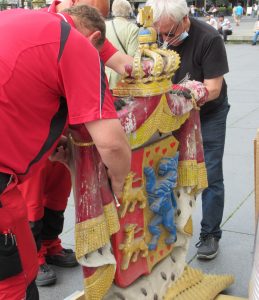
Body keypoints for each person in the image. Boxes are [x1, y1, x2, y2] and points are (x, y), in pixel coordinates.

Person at [0, 6, 131, 299]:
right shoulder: (75, 44)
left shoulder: (18, 17)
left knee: (23, 263)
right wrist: (120, 182)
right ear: (94, 38)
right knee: (14, 282)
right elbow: (112, 143)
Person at [146, 0, 230, 260]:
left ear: (185, 20)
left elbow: (214, 88)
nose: (165, 40)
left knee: (211, 173)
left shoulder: (209, 38)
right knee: (166, 172)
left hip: (208, 114)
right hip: (170, 114)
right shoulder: (156, 37)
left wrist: (186, 94)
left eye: (169, 33)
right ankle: (170, 230)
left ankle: (210, 233)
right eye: (160, 33)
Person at [105, 0, 139, 89]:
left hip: (105, 75)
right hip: (122, 78)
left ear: (112, 10)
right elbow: (132, 55)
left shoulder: (104, 25)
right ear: (129, 11)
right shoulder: (132, 28)